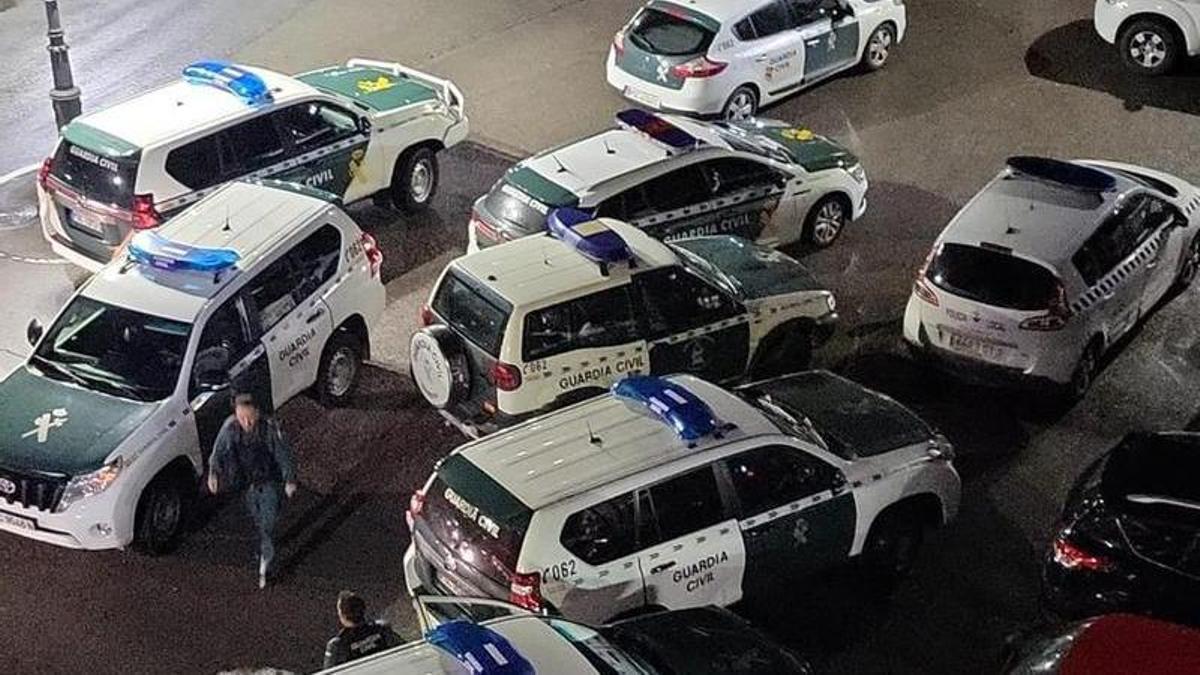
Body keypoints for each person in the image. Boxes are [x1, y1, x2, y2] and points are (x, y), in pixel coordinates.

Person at [207, 392, 298, 589]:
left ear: (257, 413)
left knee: (268, 522)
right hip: (247, 484)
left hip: (269, 483)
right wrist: (213, 473)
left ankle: (266, 562)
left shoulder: (269, 429)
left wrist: (289, 479)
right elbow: (219, 451)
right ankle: (266, 547)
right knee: (258, 519)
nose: (246, 423)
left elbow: (283, 455)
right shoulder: (230, 428)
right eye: (241, 418)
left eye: (249, 418)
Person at [323, 591, 401, 669]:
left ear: (342, 615)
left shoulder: (337, 646)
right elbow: (405, 652)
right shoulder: (382, 629)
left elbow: (329, 671)